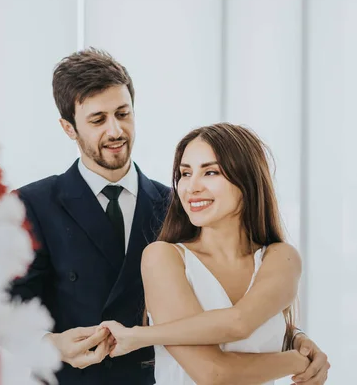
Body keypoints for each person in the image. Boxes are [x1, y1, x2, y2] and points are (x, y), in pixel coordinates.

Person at [8, 48, 330, 385]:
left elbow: (225, 297)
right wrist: (52, 345)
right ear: (68, 128)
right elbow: (6, 311)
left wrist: (294, 336)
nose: (116, 130)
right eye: (98, 119)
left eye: (123, 113)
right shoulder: (33, 205)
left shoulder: (181, 205)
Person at [98, 123, 327, 385]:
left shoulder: (281, 258)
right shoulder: (163, 257)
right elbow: (213, 373)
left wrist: (139, 336)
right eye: (185, 173)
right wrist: (297, 361)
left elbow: (242, 323)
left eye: (210, 172)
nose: (191, 187)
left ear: (247, 179)